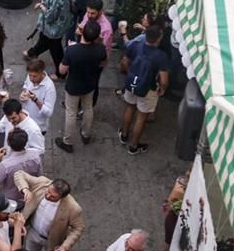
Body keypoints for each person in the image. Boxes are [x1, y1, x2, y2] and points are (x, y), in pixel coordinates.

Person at [56, 21, 108, 153]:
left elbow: (62, 70)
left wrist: (70, 48)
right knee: (88, 107)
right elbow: (103, 63)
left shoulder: (72, 51)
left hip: (73, 86)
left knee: (71, 112)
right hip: (90, 84)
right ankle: (86, 134)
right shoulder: (101, 49)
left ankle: (67, 141)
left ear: (82, 32)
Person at [118, 26, 170, 155]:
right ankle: (134, 146)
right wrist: (162, 89)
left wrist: (130, 73)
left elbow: (124, 62)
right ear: (159, 38)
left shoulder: (135, 46)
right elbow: (164, 80)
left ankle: (124, 134)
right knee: (141, 117)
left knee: (129, 107)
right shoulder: (161, 56)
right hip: (149, 88)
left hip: (132, 82)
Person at [15, 173, 85, 251]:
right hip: (33, 232)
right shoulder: (42, 183)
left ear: (62, 197)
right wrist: (25, 189)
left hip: (53, 241)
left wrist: (64, 246)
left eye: (53, 197)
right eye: (48, 191)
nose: (47, 196)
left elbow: (78, 228)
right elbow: (19, 174)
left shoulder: (73, 208)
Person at [0, 128, 42, 205]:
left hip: (11, 201)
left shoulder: (6, 165)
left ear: (8, 143)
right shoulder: (35, 155)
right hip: (29, 196)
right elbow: (40, 175)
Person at [21, 59, 56, 134]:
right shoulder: (30, 76)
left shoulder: (49, 88)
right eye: (30, 75)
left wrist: (36, 100)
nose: (31, 78)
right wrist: (24, 93)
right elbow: (26, 84)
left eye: (34, 76)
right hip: (24, 121)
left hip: (38, 127)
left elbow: (49, 113)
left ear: (42, 73)